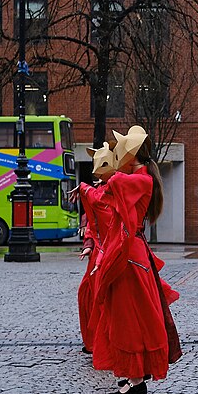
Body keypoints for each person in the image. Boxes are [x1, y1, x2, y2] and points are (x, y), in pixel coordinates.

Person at [72, 125, 181, 394]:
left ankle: (133, 378)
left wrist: (90, 186)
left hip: (129, 256)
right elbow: (105, 195)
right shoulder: (138, 178)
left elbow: (111, 189)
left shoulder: (137, 179)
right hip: (131, 254)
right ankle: (134, 377)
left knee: (127, 318)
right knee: (131, 316)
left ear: (131, 154)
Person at [76, 142, 117, 354]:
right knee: (87, 294)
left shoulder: (115, 189)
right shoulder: (101, 189)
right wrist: (89, 244)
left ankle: (107, 342)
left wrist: (85, 189)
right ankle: (95, 341)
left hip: (113, 250)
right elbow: (93, 223)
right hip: (100, 251)